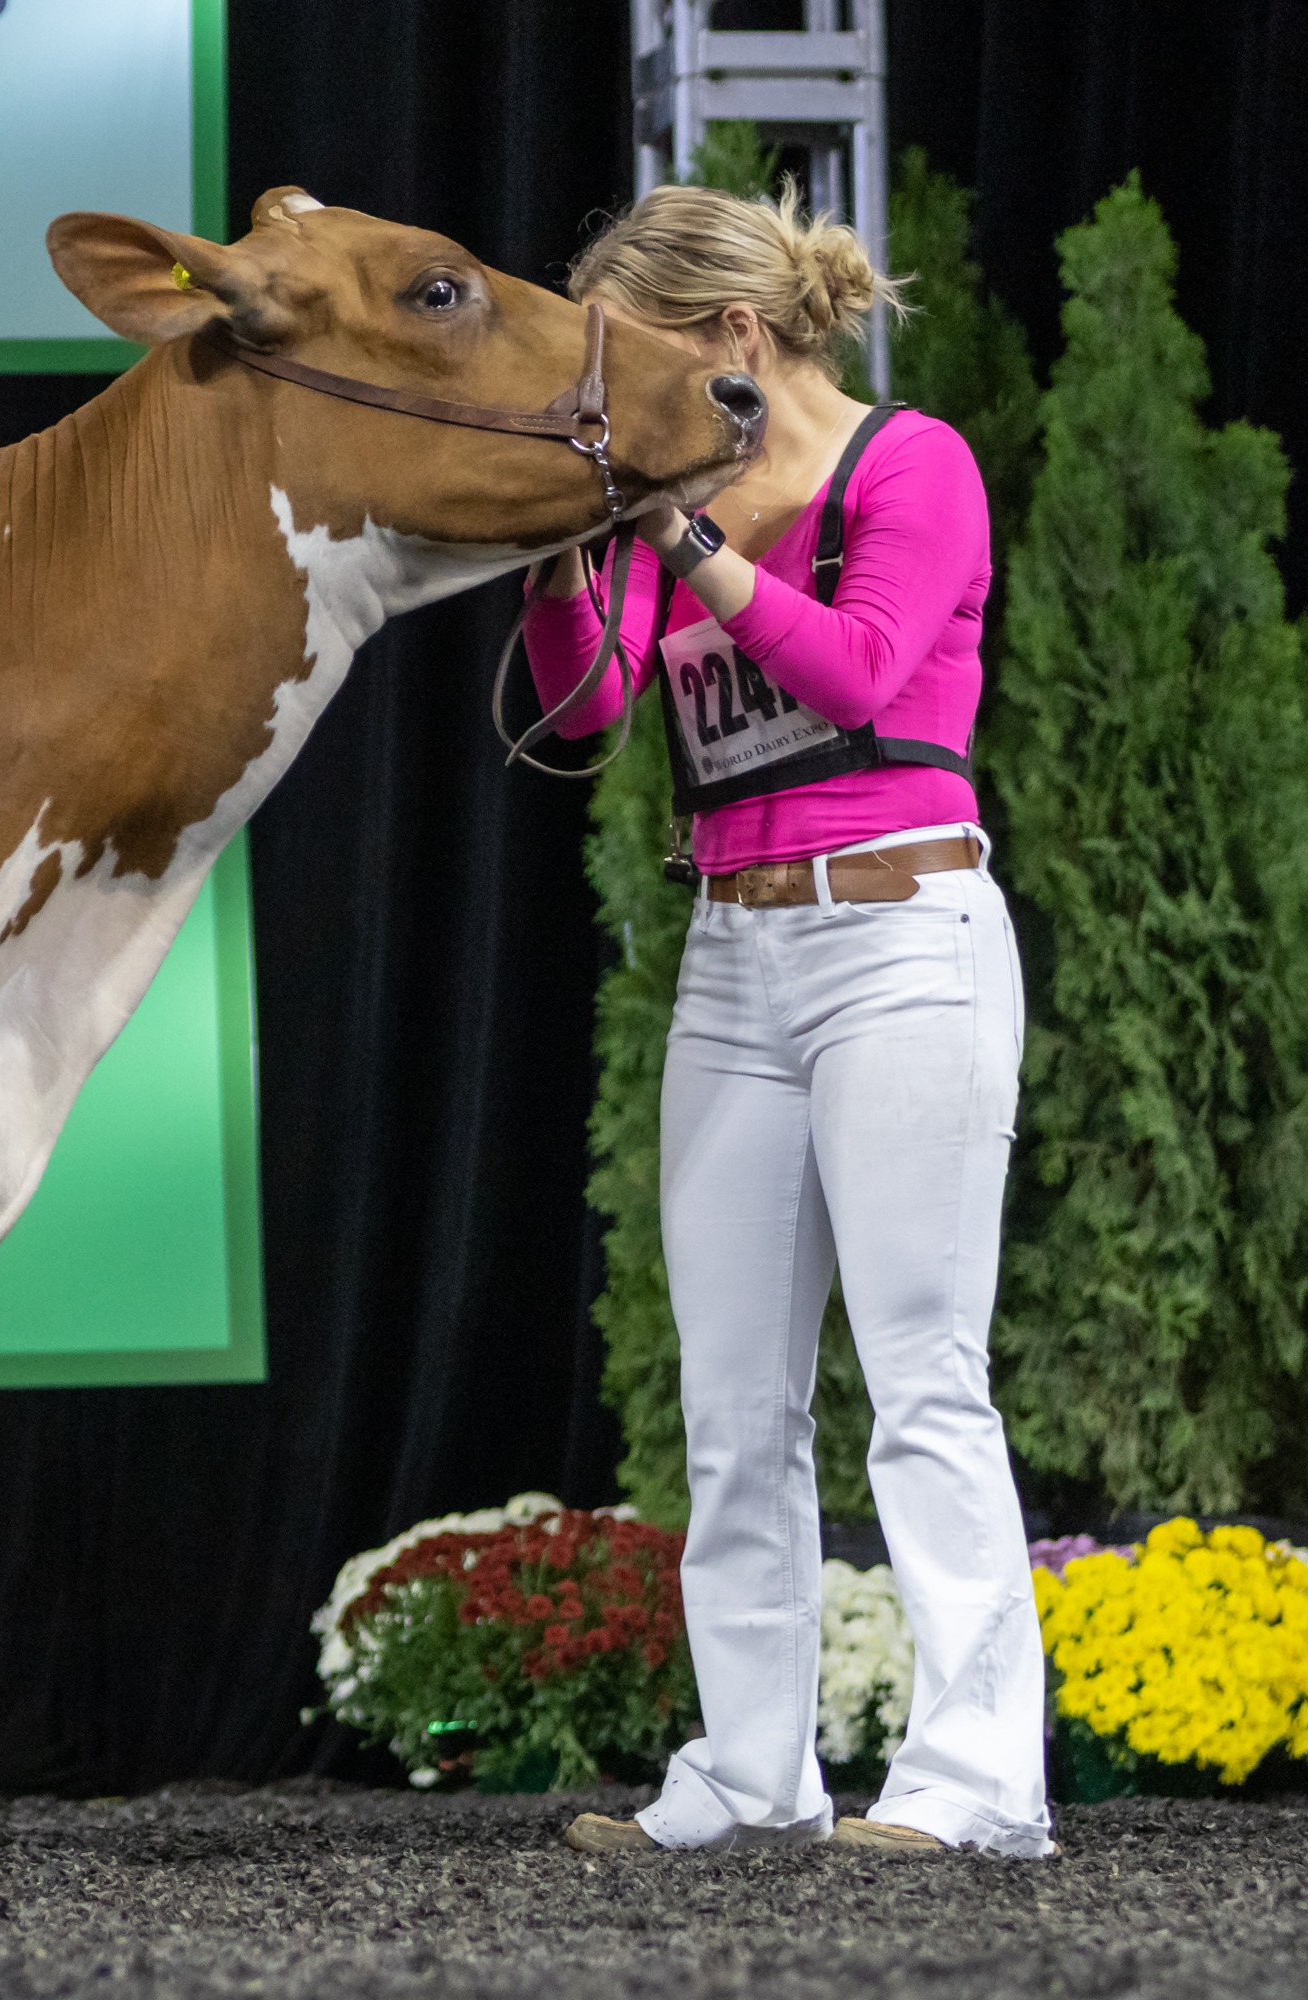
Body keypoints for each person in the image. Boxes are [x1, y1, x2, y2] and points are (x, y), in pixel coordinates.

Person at [521, 183, 1051, 1859]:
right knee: (733, 1403)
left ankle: (980, 1783)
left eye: (637, 355)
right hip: (734, 955)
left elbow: (862, 670)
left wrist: (684, 542)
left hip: (902, 938)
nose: (617, 394)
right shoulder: (669, 503)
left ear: (738, 336)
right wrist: (558, 560)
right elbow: (589, 708)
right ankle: (754, 1774)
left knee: (922, 1377)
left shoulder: (913, 462)